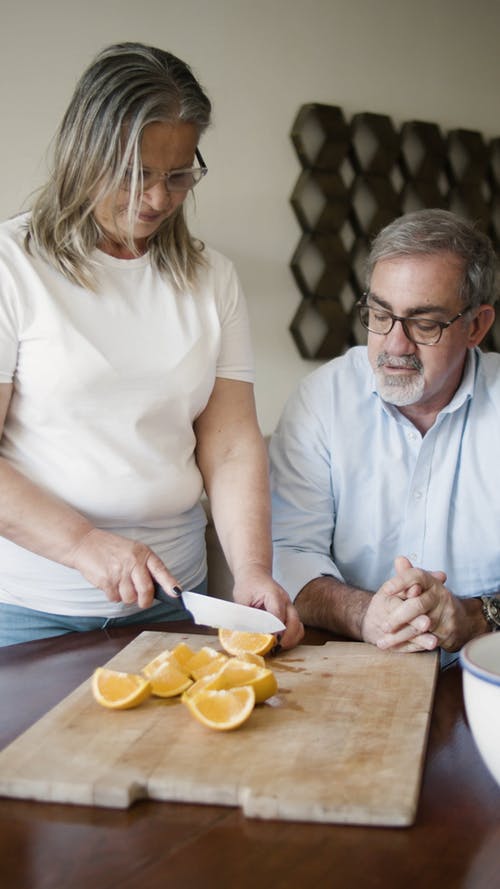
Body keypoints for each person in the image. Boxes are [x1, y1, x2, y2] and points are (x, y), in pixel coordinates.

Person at [0, 42, 303, 648]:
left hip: (175, 603)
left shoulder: (210, 277)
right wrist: (84, 544)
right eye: (137, 174)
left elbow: (232, 443)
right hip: (34, 608)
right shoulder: (14, 266)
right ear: (85, 154)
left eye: (179, 174)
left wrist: (250, 571)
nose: (159, 198)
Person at [270, 208, 499, 664]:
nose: (395, 345)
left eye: (424, 323)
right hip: (349, 670)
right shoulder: (323, 399)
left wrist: (474, 617)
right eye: (379, 314)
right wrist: (362, 613)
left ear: (476, 326)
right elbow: (288, 551)